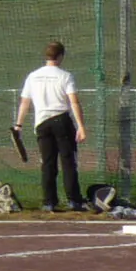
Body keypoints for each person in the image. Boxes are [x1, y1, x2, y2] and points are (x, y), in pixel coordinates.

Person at [15, 41, 87, 213]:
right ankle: (74, 201)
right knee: (68, 161)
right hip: (61, 120)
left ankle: (49, 202)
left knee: (48, 164)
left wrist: (19, 124)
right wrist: (81, 126)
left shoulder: (33, 76)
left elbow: (25, 102)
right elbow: (74, 102)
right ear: (60, 56)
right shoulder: (65, 76)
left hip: (42, 122)